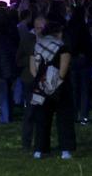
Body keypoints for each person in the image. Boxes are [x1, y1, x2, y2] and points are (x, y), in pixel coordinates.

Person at [26, 9, 75, 160]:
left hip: (41, 87)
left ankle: (40, 149)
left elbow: (33, 68)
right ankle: (65, 149)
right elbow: (63, 70)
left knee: (42, 119)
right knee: (64, 118)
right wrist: (55, 82)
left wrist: (42, 80)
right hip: (60, 88)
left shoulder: (38, 46)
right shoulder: (63, 47)